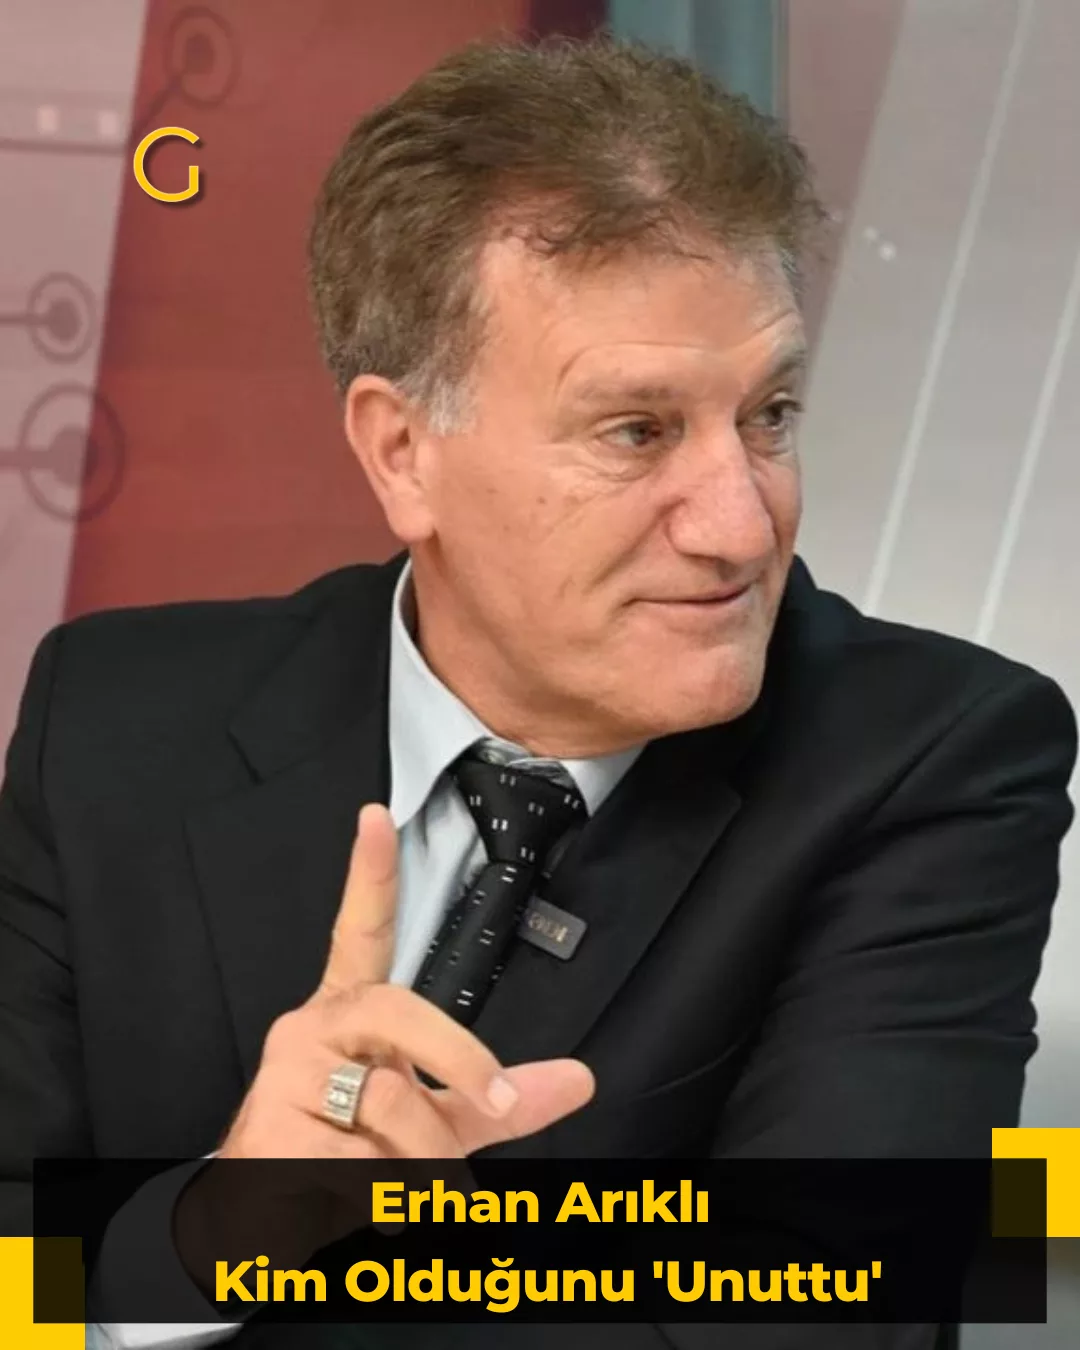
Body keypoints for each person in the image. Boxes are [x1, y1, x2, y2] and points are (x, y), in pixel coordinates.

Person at [0, 32, 1075, 1350]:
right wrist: (205, 1237)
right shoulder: (109, 719)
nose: (743, 525)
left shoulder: (938, 756)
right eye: (637, 431)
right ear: (403, 453)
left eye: (771, 415)